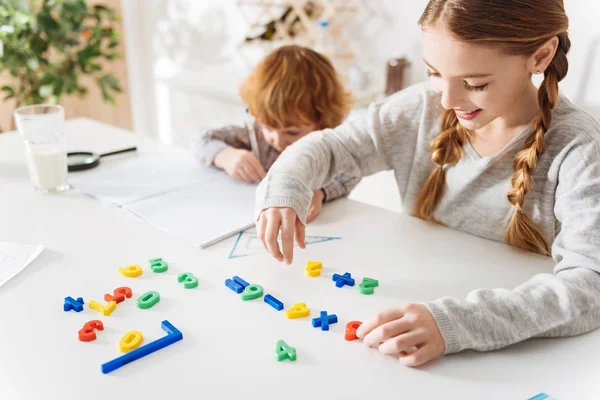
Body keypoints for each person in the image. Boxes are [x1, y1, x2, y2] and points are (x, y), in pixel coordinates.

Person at [253, 0, 600, 367]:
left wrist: (459, 323)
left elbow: (590, 284)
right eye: (434, 73)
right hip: (413, 312)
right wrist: (286, 187)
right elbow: (332, 146)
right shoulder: (423, 106)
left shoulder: (579, 147)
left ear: (541, 56)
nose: (448, 100)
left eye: (474, 83)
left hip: (520, 359)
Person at [192, 44, 356, 222]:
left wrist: (320, 193)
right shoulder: (254, 133)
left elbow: (352, 170)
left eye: (292, 132)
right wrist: (225, 155)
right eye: (269, 127)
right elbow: (202, 139)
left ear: (321, 121)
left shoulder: (329, 140)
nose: (277, 140)